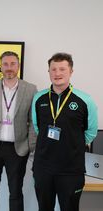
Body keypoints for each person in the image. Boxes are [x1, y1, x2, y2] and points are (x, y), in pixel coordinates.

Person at [32, 52, 98, 211]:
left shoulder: (85, 99)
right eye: (53, 69)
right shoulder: (39, 98)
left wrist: (72, 144)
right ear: (49, 72)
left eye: (62, 69)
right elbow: (37, 127)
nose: (57, 73)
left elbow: (91, 131)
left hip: (71, 170)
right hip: (43, 168)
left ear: (71, 71)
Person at [0, 51, 37, 211]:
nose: (9, 68)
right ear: (0, 66)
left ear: (18, 66)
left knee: (16, 192)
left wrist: (31, 147)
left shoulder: (30, 89)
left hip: (17, 149)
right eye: (5, 64)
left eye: (12, 64)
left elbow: (33, 121)